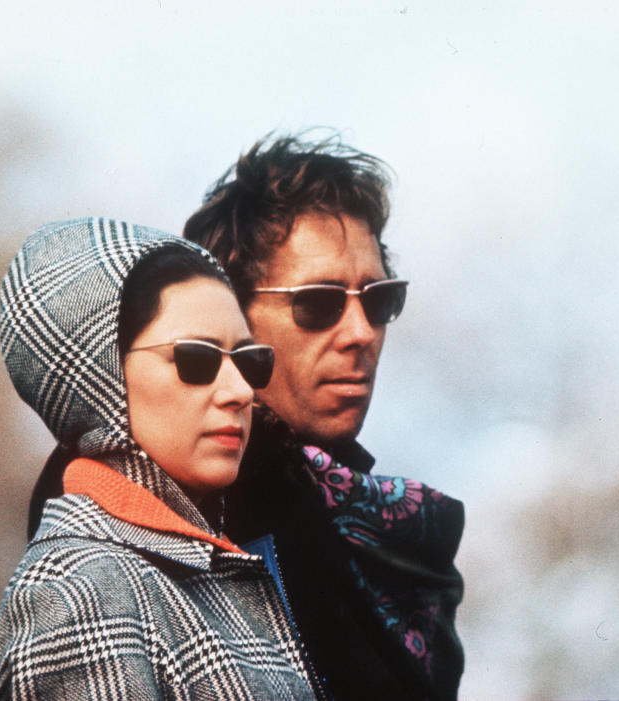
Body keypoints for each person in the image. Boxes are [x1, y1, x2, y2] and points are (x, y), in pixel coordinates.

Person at [0, 217, 317, 700]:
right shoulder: (82, 592)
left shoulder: (189, 569)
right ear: (102, 377)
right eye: (196, 360)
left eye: (250, 360)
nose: (242, 391)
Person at [182, 134, 466, 700]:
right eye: (319, 302)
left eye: (379, 299)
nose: (361, 333)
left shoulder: (376, 525)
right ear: (231, 319)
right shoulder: (183, 524)